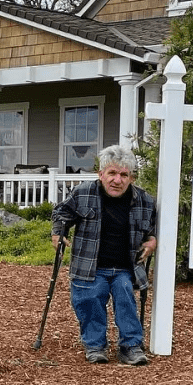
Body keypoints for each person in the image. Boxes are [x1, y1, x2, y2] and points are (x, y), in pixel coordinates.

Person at [51, 145, 157, 366]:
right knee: (89, 301)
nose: (117, 180)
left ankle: (130, 346)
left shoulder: (145, 201)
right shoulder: (82, 193)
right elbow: (61, 213)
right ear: (101, 174)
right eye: (112, 173)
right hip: (89, 266)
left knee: (126, 300)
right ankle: (95, 345)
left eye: (123, 175)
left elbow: (151, 229)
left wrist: (152, 240)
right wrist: (58, 234)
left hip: (125, 268)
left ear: (131, 178)